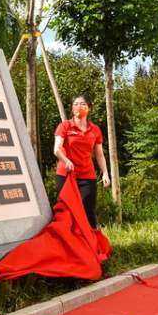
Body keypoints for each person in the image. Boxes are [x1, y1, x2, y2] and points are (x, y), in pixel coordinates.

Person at [53, 94, 111, 229]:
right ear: (72, 108)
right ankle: (66, 243)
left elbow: (100, 155)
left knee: (88, 210)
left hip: (87, 175)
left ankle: (91, 244)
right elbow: (57, 150)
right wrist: (66, 160)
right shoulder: (65, 126)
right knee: (66, 210)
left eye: (83, 104)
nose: (79, 106)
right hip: (66, 174)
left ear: (89, 108)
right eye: (76, 104)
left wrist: (105, 173)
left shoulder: (95, 129)